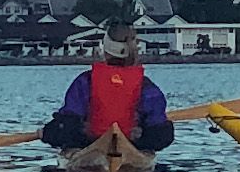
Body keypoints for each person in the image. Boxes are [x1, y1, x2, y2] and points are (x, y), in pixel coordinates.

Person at [42, 20, 176, 163]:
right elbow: (159, 130)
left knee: (59, 130)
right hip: (134, 145)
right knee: (165, 130)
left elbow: (69, 120)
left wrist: (46, 133)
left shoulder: (85, 81)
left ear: (105, 50)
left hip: (87, 145)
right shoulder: (147, 87)